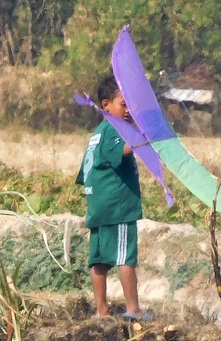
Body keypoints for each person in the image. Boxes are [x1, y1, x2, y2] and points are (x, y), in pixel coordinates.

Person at [75, 76, 148, 321]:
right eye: (123, 104)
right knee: (126, 257)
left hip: (99, 206)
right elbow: (123, 149)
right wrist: (142, 138)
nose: (128, 111)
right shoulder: (115, 128)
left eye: (130, 106)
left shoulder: (97, 132)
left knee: (100, 260)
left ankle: (101, 309)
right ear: (106, 104)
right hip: (119, 207)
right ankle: (133, 309)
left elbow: (87, 171)